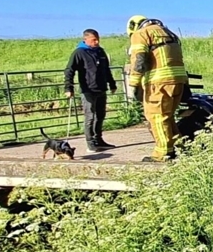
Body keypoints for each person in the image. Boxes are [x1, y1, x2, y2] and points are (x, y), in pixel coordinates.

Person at [126, 15, 188, 162]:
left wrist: (134, 84)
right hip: (178, 81)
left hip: (159, 83)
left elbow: (139, 60)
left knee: (156, 117)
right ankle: (178, 147)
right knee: (168, 117)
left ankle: (163, 153)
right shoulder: (168, 32)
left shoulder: (140, 34)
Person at [64, 29, 118, 153]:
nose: (97, 41)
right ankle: (90, 143)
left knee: (100, 115)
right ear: (86, 39)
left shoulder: (100, 51)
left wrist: (112, 83)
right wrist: (68, 88)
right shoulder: (79, 53)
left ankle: (99, 139)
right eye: (94, 39)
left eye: (98, 39)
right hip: (88, 89)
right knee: (90, 117)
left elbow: (106, 69)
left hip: (101, 88)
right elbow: (69, 70)